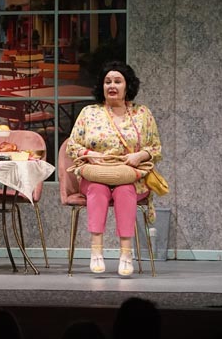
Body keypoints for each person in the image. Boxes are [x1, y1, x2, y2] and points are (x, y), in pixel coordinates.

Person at [66, 61, 162, 277]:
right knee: (98, 189)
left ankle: (126, 254)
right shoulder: (89, 112)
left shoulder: (142, 113)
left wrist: (139, 156)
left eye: (118, 81)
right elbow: (72, 146)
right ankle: (96, 251)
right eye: (107, 81)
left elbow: (155, 148)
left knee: (125, 190)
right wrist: (90, 154)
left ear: (127, 86)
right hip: (96, 174)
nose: (112, 86)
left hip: (131, 175)